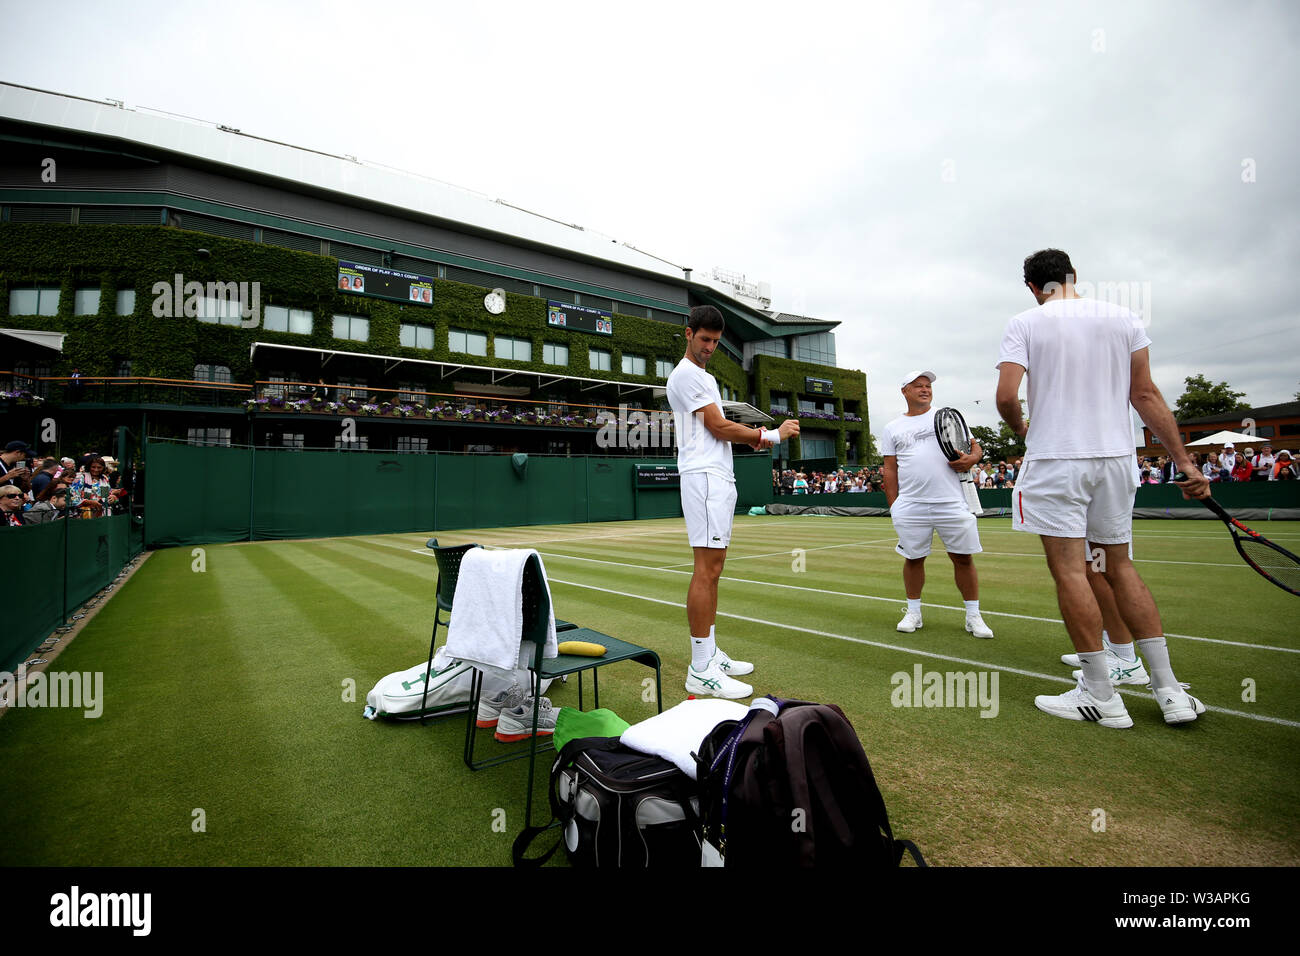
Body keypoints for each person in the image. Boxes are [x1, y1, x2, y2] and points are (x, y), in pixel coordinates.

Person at [997, 248, 1210, 729]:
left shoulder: (1025, 322)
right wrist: (1182, 462)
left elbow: (1007, 397)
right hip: (1116, 460)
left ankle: (1100, 696)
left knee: (1072, 572)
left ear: (1032, 286)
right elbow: (1146, 395)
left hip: (1056, 460)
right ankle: (1169, 691)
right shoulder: (1125, 318)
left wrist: (1020, 428)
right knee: (1119, 565)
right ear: (1074, 277)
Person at [666, 305, 799, 699]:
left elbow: (718, 426)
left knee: (715, 568)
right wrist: (771, 436)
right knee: (706, 570)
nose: (709, 347)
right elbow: (718, 426)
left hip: (716, 475)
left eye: (715, 342)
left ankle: (710, 653)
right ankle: (700, 668)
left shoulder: (702, 376)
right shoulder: (687, 375)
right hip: (704, 476)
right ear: (689, 334)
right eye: (704, 339)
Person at [881, 370, 994, 638]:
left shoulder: (948, 417)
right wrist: (894, 506)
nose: (925, 389)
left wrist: (972, 459)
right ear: (904, 391)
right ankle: (913, 612)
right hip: (911, 505)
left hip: (952, 501)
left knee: (963, 559)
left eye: (928, 386)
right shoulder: (892, 427)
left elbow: (975, 448)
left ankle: (973, 617)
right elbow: (889, 469)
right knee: (913, 558)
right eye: (918, 386)